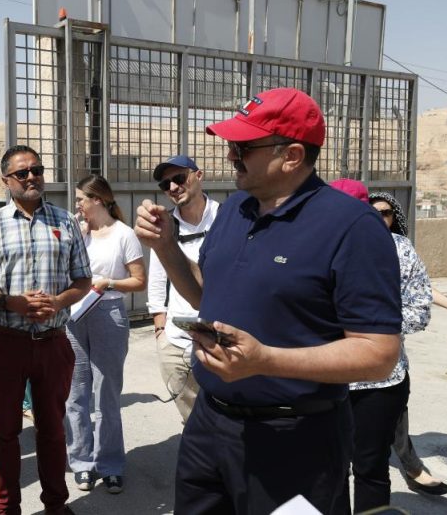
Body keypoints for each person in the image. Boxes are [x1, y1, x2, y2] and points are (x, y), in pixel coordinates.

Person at [134, 88, 402, 514]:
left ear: (292, 155)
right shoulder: (236, 209)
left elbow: (378, 354)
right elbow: (205, 292)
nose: (230, 156)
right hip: (209, 424)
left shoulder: (353, 226)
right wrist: (166, 247)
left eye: (242, 147)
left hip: (295, 439)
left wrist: (265, 361)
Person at [0, 144, 92, 515]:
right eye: (22, 173)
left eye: (37, 170)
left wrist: (58, 302)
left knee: (53, 429)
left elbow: (83, 279)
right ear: (6, 180)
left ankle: (56, 505)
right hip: (6, 343)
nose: (32, 177)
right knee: (5, 431)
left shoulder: (65, 222)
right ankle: (9, 508)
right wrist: (9, 302)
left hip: (53, 343)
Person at [368, 191, 447, 497]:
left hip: (386, 355)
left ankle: (413, 468)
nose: (380, 218)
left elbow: (421, 294)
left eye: (386, 213)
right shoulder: (344, 246)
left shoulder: (402, 250)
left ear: (394, 218)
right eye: (373, 212)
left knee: (395, 411)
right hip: (339, 362)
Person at [67, 174, 146, 495]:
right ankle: (81, 462)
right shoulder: (77, 232)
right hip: (75, 314)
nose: (76, 205)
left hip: (108, 312)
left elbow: (139, 280)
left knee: (107, 394)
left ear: (97, 199)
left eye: (80, 200)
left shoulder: (124, 235)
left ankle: (111, 464)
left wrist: (108, 282)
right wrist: (75, 236)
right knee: (76, 394)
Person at [145, 155, 219, 424]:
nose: (173, 187)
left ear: (198, 175)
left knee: (225, 423)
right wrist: (160, 331)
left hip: (221, 339)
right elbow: (156, 280)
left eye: (179, 178)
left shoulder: (226, 218)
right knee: (193, 424)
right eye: (166, 184)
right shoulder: (165, 225)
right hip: (176, 343)